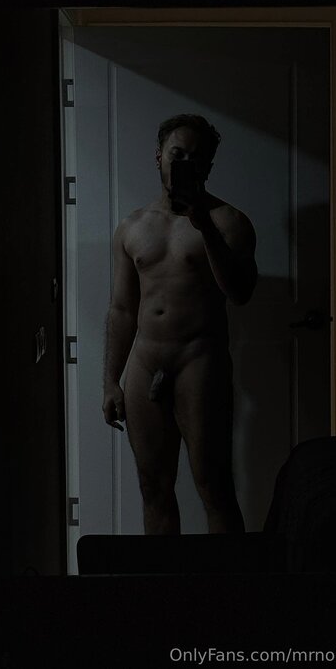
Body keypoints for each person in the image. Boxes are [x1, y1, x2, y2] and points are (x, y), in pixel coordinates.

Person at [102, 113, 258, 534]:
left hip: (199, 361)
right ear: (159, 156)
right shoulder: (132, 226)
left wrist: (204, 226)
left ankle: (231, 577)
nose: (185, 163)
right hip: (145, 361)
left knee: (214, 486)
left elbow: (240, 291)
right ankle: (164, 576)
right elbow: (122, 308)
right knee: (153, 487)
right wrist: (111, 380)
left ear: (208, 166)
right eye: (177, 154)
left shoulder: (229, 221)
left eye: (197, 158)